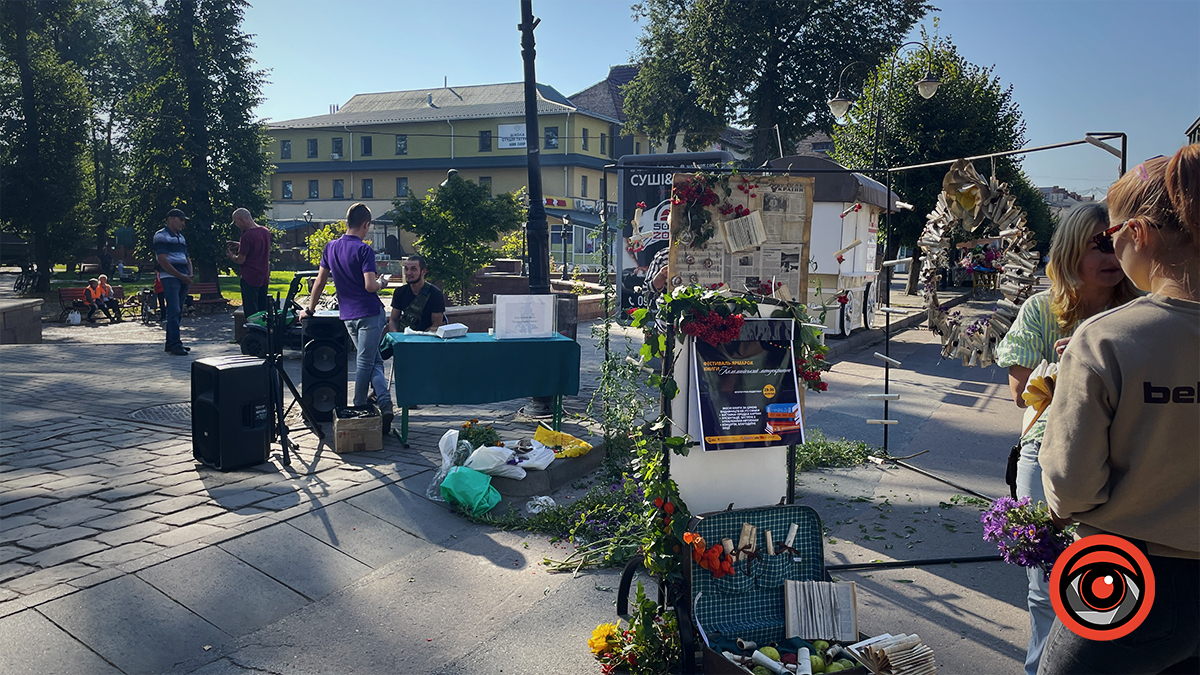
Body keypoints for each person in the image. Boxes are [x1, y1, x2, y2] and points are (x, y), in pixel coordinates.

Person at [1037, 146, 1200, 675]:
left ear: (1139, 234)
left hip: (1124, 570)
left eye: (1109, 235)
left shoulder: (1107, 339)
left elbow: (1072, 481)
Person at [993, 202, 1138, 675]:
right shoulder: (1042, 309)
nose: (1110, 253)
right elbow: (1020, 394)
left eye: (1117, 241)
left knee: (1108, 580)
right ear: (1072, 248)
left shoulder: (1140, 309)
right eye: (1098, 243)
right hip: (1047, 453)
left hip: (1122, 454)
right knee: (1048, 583)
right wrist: (1071, 362)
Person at [302, 203, 394, 433]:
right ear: (365, 224)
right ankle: (359, 407)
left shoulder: (331, 247)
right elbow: (370, 286)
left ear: (347, 222)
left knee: (373, 361)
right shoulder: (364, 250)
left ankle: (384, 402)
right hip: (370, 313)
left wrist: (310, 310)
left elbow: (320, 282)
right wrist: (384, 282)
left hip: (348, 315)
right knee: (366, 362)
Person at [155, 208, 194, 355]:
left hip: (183, 277)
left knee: (177, 311)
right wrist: (180, 275)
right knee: (174, 309)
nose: (183, 223)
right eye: (181, 219)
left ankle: (171, 343)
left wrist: (189, 274)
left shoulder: (181, 237)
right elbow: (163, 260)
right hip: (170, 277)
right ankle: (176, 344)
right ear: (171, 219)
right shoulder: (161, 235)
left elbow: (187, 258)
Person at [226, 207, 271, 318]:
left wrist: (232, 256)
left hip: (250, 277)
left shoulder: (246, 236)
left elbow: (241, 260)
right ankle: (263, 332)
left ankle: (253, 332)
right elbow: (257, 247)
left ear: (241, 220)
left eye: (236, 222)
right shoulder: (265, 231)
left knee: (251, 311)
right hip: (264, 275)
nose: (236, 225)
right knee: (262, 309)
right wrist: (240, 245)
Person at [387, 254, 445, 333]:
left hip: (426, 339)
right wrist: (396, 336)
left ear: (423, 272)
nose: (408, 272)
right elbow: (393, 319)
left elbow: (436, 324)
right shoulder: (400, 292)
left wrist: (418, 338)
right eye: (406, 269)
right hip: (403, 338)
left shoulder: (435, 294)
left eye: (413, 269)